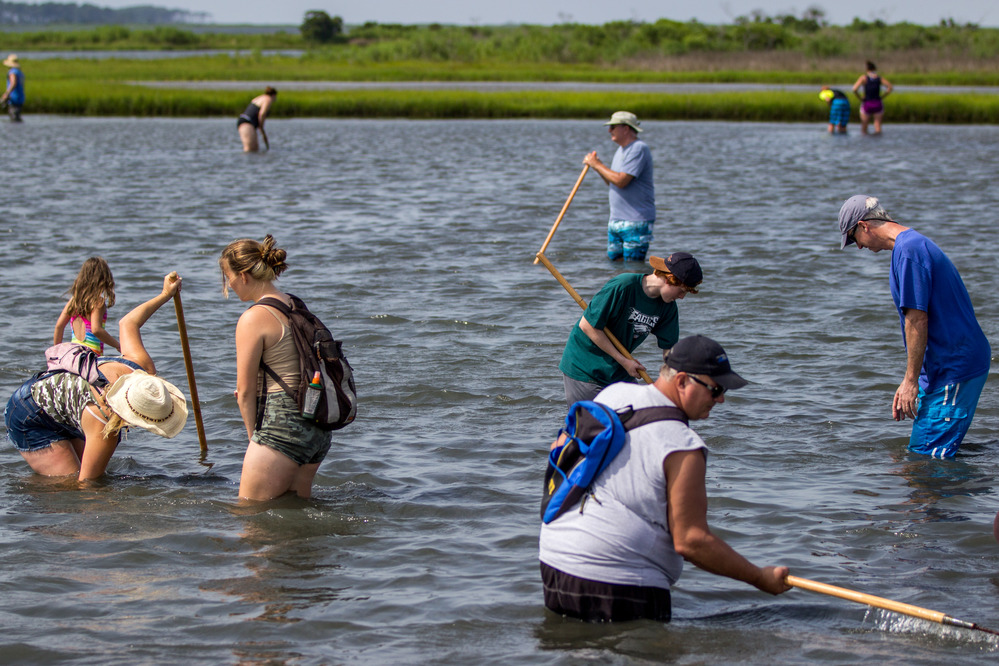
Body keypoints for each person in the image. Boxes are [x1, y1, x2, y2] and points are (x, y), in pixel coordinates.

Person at [541, 334, 790, 622]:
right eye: (716, 389)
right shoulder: (682, 446)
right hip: (613, 581)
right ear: (682, 381)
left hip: (555, 560)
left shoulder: (613, 394)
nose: (721, 399)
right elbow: (691, 541)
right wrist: (760, 578)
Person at [838, 195, 991, 458]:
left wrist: (910, 382)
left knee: (925, 461)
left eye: (853, 239)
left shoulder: (909, 252)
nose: (859, 248)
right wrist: (917, 382)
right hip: (943, 365)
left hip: (956, 367)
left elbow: (917, 319)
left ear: (864, 226)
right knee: (924, 454)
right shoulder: (909, 246)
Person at [5, 273, 188, 482]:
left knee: (90, 470)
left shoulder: (142, 366)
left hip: (62, 407)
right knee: (72, 482)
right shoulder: (105, 421)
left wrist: (165, 294)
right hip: (28, 413)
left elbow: (128, 323)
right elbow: (86, 487)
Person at [219, 234, 333, 501]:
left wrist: (255, 440)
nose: (228, 285)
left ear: (244, 275)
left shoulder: (253, 318)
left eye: (228, 277)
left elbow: (244, 392)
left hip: (280, 428)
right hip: (317, 426)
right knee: (297, 523)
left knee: (250, 521)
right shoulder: (295, 304)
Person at [560, 252, 702, 407]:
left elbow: (669, 352)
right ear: (669, 279)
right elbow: (587, 326)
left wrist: (675, 387)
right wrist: (624, 361)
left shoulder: (668, 307)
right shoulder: (623, 286)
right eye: (682, 291)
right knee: (593, 428)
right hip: (585, 367)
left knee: (636, 422)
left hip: (619, 369)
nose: (682, 297)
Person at [584, 111, 656, 261]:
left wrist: (597, 164)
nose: (609, 130)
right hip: (616, 220)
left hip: (635, 221)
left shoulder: (639, 148)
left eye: (613, 126)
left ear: (626, 128)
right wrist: (597, 167)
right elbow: (612, 182)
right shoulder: (620, 151)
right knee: (615, 267)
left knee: (632, 269)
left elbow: (621, 181)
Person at [53, 256, 120, 354]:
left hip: (74, 356)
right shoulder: (98, 302)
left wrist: (57, 352)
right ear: (103, 279)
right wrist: (117, 345)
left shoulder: (74, 300)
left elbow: (59, 326)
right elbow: (96, 330)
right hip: (91, 355)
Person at [852, 61, 893, 135]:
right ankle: (877, 144)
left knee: (864, 127)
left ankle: (866, 143)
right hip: (877, 103)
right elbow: (890, 87)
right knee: (877, 127)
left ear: (867, 69)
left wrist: (860, 98)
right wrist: (883, 96)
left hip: (867, 103)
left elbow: (854, 89)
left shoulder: (864, 78)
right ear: (874, 69)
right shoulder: (879, 78)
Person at [236, 87, 277, 152]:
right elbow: (262, 114)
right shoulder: (268, 99)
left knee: (255, 149)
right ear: (274, 95)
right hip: (247, 123)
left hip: (248, 123)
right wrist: (261, 128)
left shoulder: (260, 97)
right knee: (249, 149)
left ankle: (255, 162)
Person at [0, 53, 25, 122]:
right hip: (20, 98)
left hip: (14, 98)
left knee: (14, 119)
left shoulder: (12, 72)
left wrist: (6, 94)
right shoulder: (19, 72)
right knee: (17, 117)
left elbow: (13, 83)